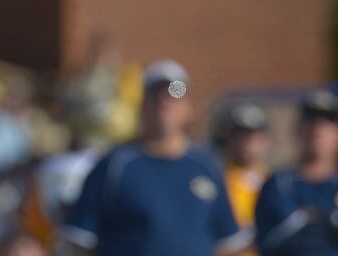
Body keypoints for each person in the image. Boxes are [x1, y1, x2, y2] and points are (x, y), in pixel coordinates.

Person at [57, 60, 250, 256]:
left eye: (176, 92)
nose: (165, 100)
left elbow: (227, 243)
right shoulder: (115, 165)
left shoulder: (207, 166)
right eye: (155, 93)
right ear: (142, 104)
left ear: (188, 109)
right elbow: (79, 241)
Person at [254, 90, 338, 256]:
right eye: (311, 119)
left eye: (328, 122)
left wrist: (319, 218)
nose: (318, 129)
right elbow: (279, 238)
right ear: (298, 129)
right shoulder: (279, 185)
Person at [220, 103, 272, 255]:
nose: (247, 143)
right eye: (240, 135)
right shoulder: (219, 183)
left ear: (266, 141)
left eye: (254, 136)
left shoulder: (279, 184)